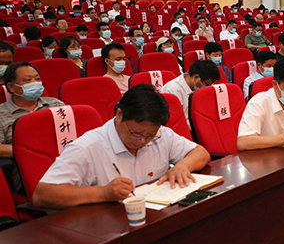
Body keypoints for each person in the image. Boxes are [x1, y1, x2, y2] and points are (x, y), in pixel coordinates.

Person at [32, 84, 211, 209]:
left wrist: (182, 165)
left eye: (150, 136)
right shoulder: (86, 147)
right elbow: (43, 194)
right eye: (136, 133)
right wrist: (103, 193)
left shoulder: (161, 134)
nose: (143, 141)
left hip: (155, 216)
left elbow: (201, 153)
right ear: (119, 115)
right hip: (107, 226)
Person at [0, 62, 64, 159]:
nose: (35, 83)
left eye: (37, 79)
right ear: (11, 87)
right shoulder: (1, 113)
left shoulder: (56, 104)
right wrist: (31, 151)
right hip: (24, 162)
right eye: (28, 80)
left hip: (62, 157)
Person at [161, 60, 220, 125]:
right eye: (206, 84)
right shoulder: (173, 90)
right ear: (196, 77)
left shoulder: (195, 87)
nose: (206, 87)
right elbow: (178, 123)